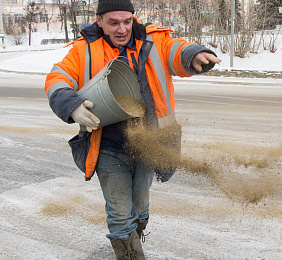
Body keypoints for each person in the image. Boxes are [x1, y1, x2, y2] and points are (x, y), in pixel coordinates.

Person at [44, 0, 221, 259]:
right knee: (119, 212)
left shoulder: (152, 41)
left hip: (148, 143)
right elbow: (57, 78)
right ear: (100, 21)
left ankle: (134, 238)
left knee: (140, 207)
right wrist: (71, 104)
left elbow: (175, 50)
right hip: (107, 147)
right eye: (113, 23)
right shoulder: (84, 50)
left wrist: (192, 54)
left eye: (127, 21)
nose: (122, 29)